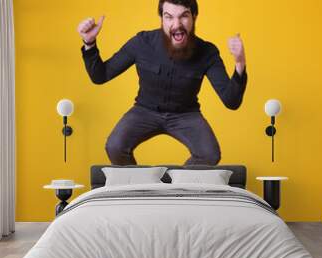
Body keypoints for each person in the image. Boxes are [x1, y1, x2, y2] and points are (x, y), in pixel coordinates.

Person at [78, 0, 247, 165]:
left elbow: (231, 101)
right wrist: (89, 43)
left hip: (186, 115)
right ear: (161, 19)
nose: (177, 24)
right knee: (115, 147)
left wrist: (240, 63)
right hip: (144, 111)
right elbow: (100, 76)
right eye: (169, 17)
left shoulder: (207, 52)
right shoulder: (141, 43)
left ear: (194, 16)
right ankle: (142, 188)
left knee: (209, 155)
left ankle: (174, 189)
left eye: (184, 16)